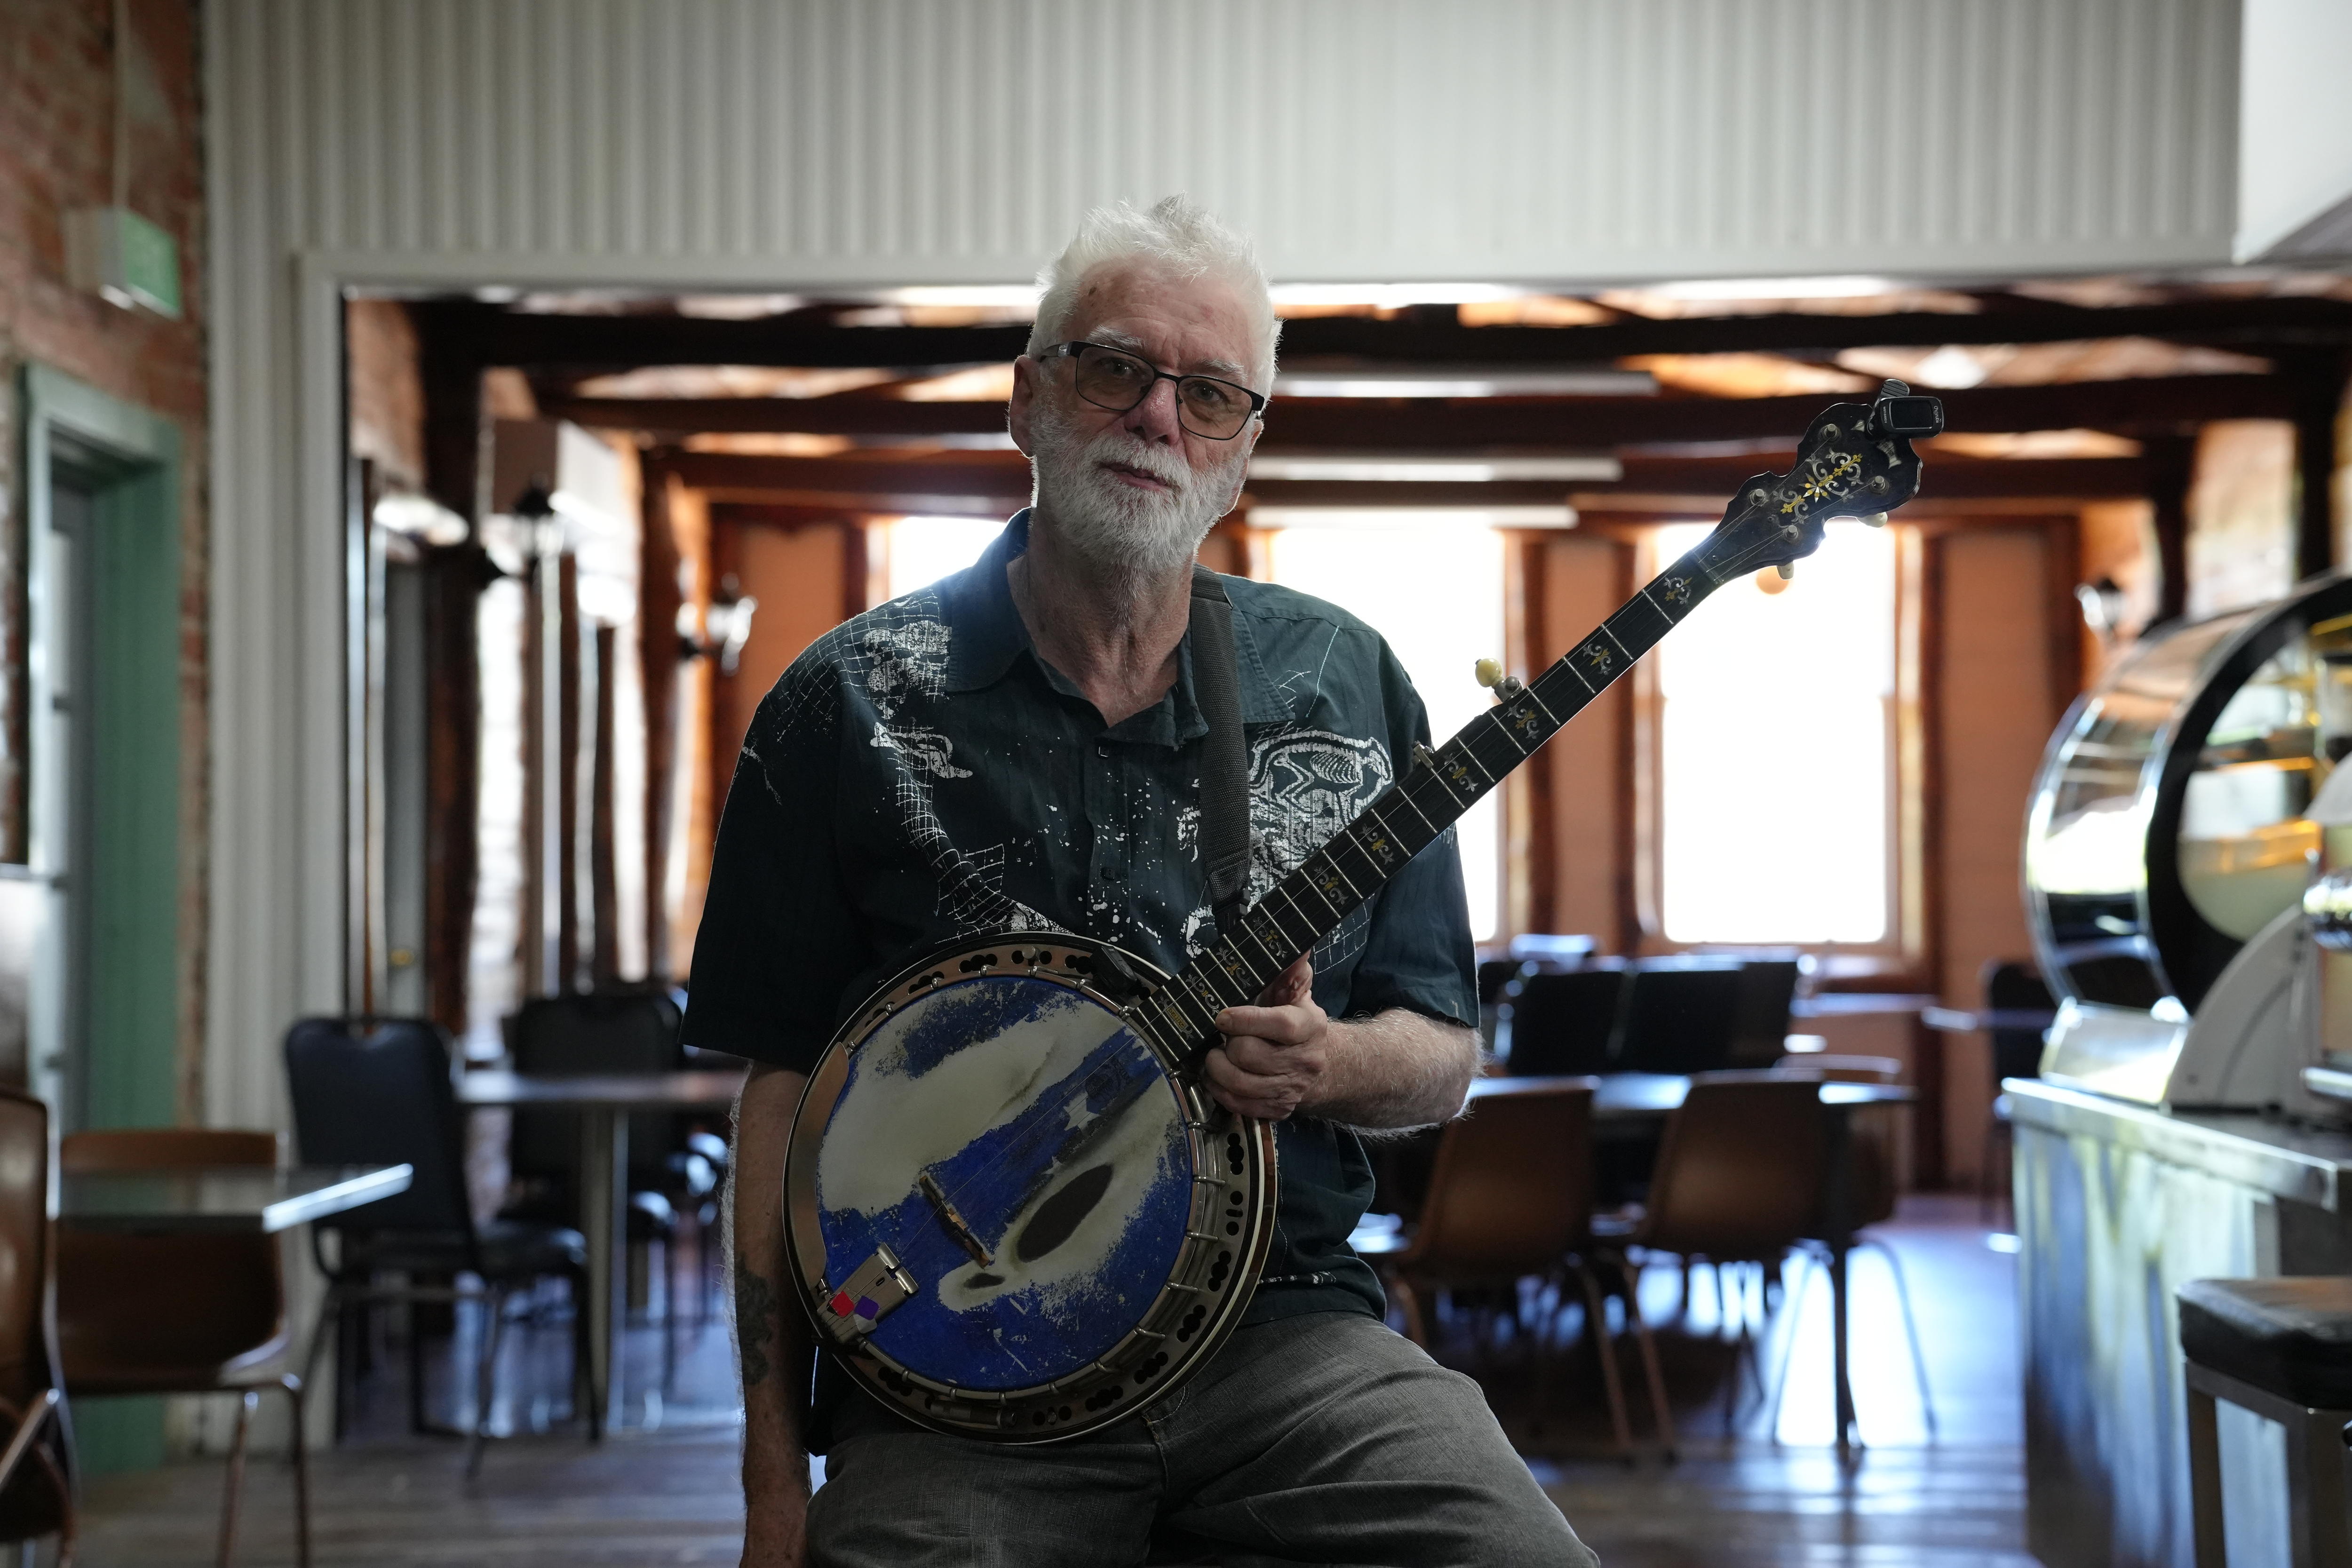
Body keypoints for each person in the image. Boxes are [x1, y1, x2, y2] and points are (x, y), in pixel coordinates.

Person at [685, 196, 1598, 1568]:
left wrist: (1328, 1063)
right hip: (959, 1388)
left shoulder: (1345, 685)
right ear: (1028, 398)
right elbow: (776, 1090)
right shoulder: (845, 705)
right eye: (1117, 366)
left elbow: (1440, 1058)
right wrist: (770, 1488)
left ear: (1245, 447)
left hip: (1286, 1343)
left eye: (1212, 391)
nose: (1159, 416)